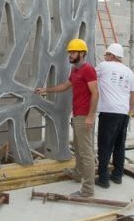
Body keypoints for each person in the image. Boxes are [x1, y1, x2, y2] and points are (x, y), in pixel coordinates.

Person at [35, 38, 98, 197]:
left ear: (82, 53)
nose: (70, 55)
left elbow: (96, 93)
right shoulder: (75, 70)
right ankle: (78, 173)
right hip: (77, 114)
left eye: (73, 52)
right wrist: (46, 90)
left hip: (84, 116)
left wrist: (90, 116)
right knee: (77, 148)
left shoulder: (88, 69)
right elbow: (65, 86)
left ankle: (88, 189)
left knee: (86, 153)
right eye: (69, 52)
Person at [94, 43, 134, 188]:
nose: (105, 57)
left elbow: (88, 76)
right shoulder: (128, 71)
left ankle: (103, 179)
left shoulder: (104, 66)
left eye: (106, 54)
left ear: (112, 55)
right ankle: (117, 175)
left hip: (108, 112)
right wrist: (130, 110)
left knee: (105, 146)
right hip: (123, 113)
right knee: (119, 145)